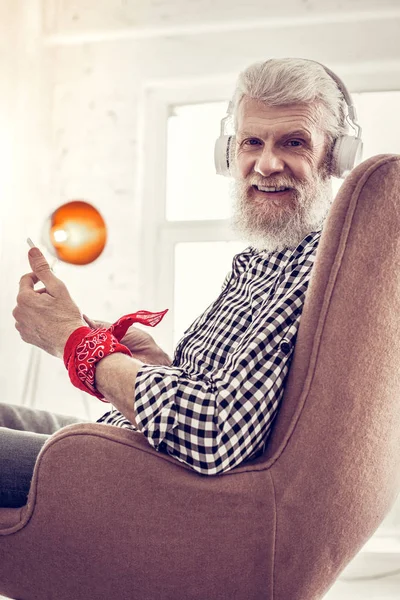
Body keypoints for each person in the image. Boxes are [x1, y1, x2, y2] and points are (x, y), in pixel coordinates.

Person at [2, 57, 358, 508]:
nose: (266, 164)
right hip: (134, 446)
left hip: (159, 488)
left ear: (337, 156)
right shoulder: (260, 262)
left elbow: (215, 433)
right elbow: (224, 398)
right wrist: (155, 366)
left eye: (294, 142)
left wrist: (74, 343)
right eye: (252, 141)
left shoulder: (316, 270)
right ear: (229, 153)